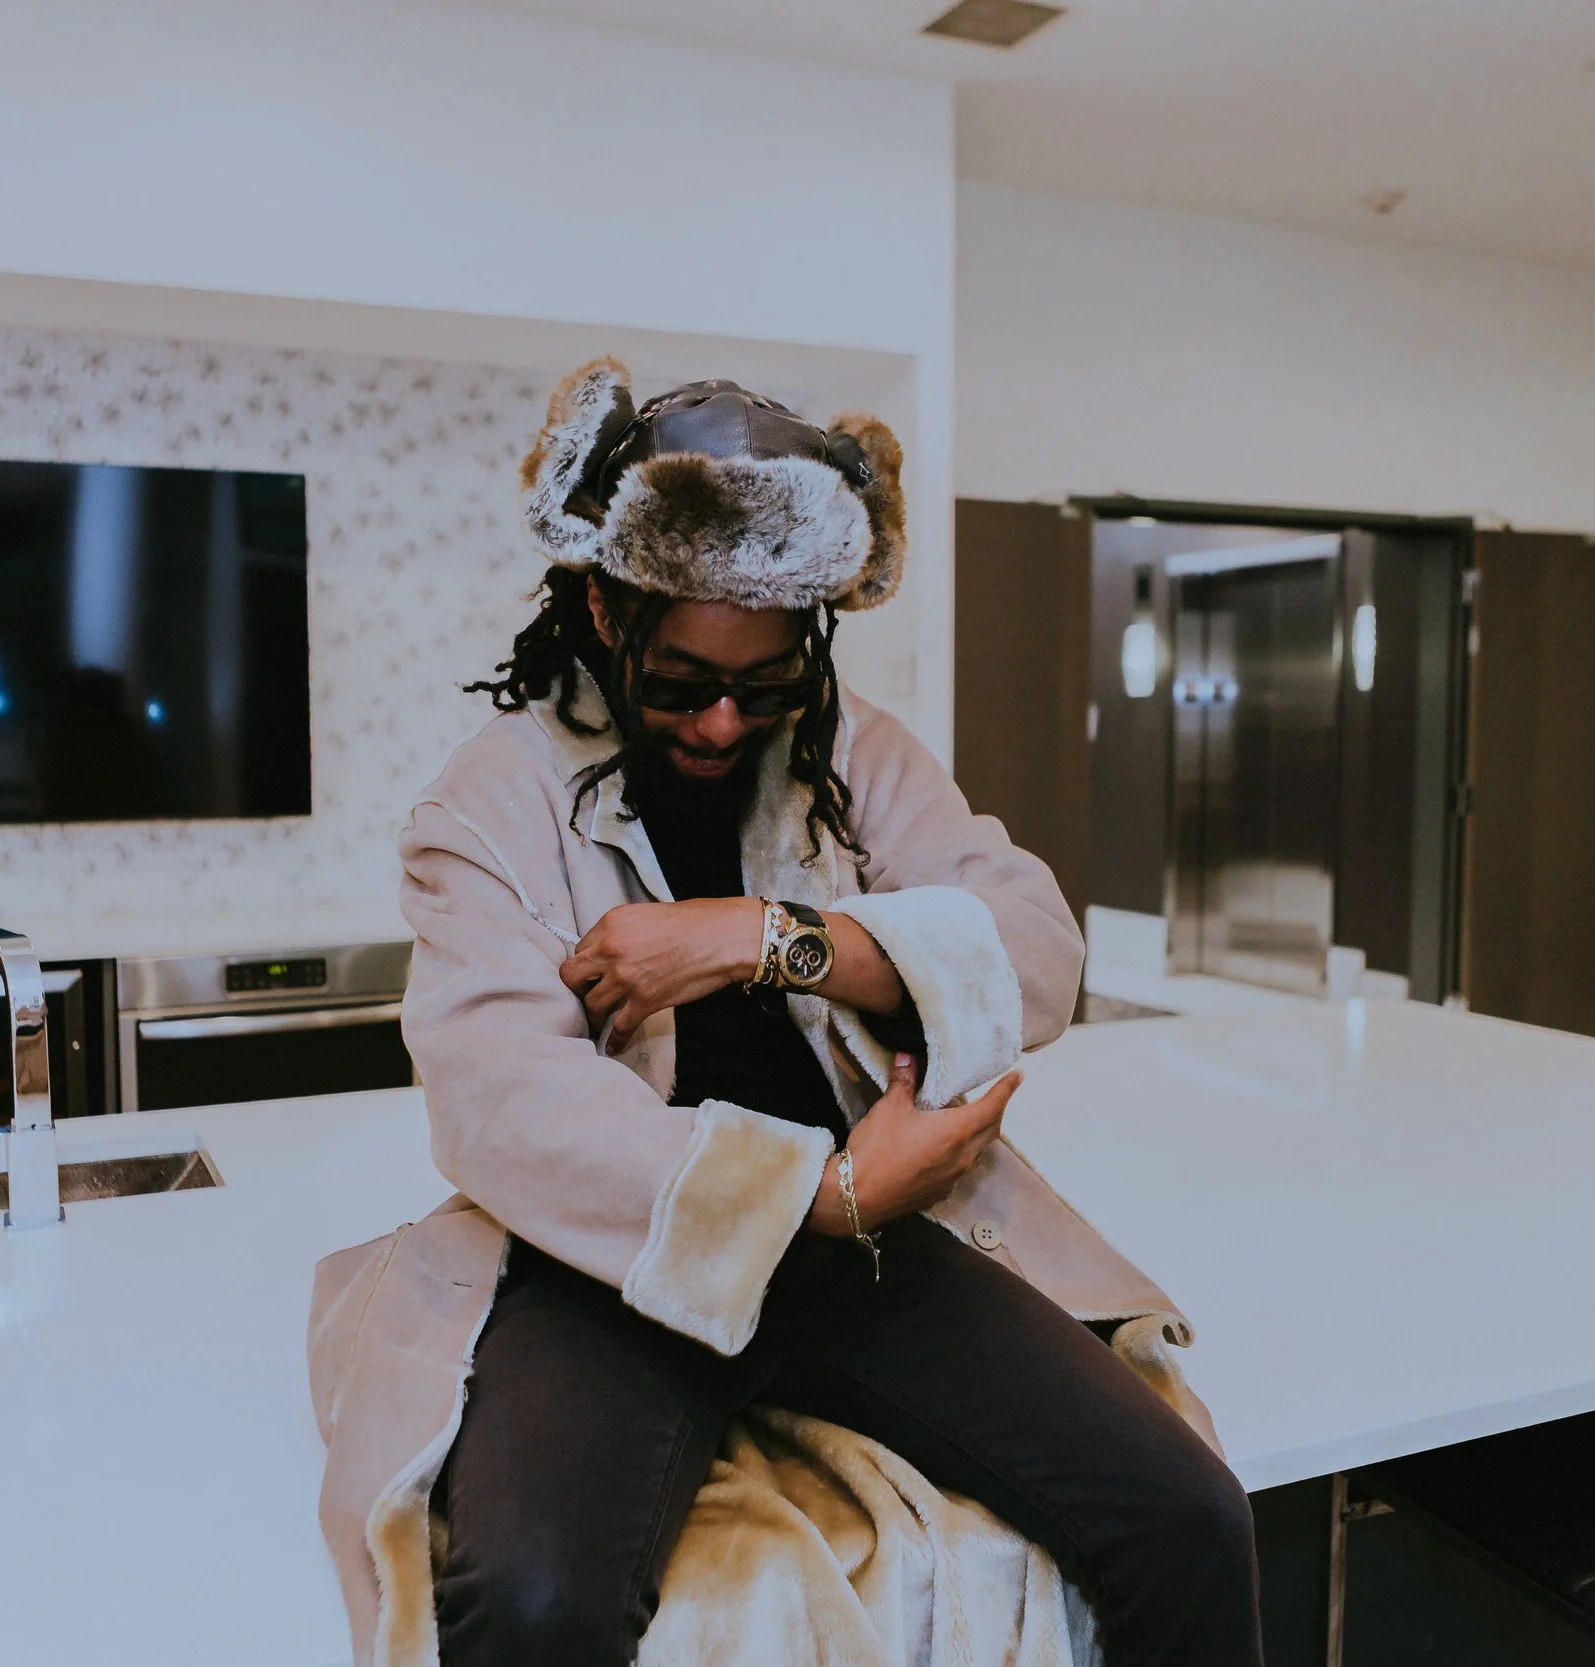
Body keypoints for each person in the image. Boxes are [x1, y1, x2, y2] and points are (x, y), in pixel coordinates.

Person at [306, 360, 1262, 1667]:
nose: (719, 722)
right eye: (680, 679)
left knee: (1189, 1515)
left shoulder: (847, 744)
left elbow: (1036, 947)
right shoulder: (489, 803)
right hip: (612, 1268)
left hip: (865, 1246)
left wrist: (763, 938)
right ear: (601, 604)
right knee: (531, 1604)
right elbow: (508, 1110)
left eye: (761, 686)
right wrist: (824, 1189)